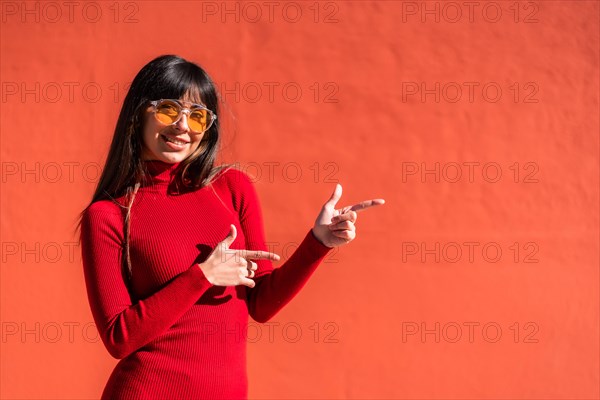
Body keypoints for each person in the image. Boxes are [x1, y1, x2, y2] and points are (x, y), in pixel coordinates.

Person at [77, 54, 384, 400]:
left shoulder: (231, 189)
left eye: (197, 117)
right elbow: (119, 338)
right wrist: (202, 276)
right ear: (138, 114)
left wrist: (319, 243)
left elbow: (262, 305)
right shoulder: (108, 215)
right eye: (167, 110)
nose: (182, 126)